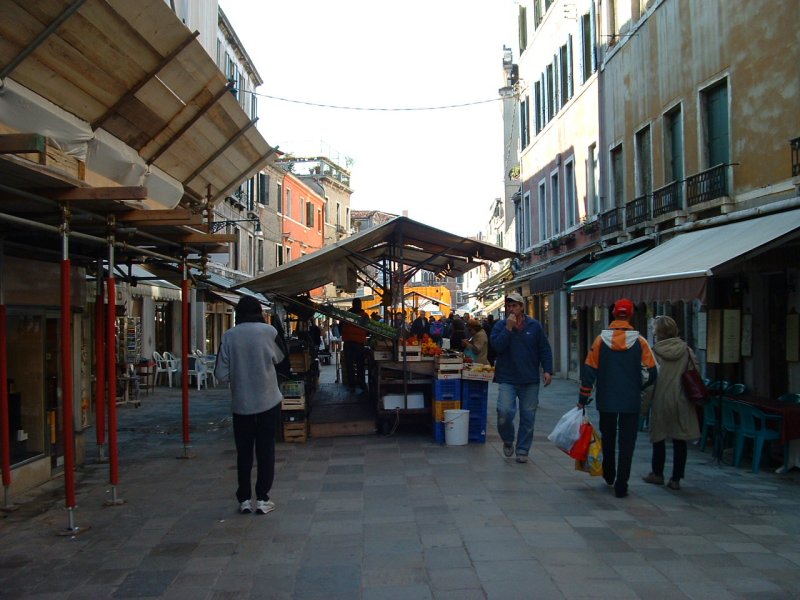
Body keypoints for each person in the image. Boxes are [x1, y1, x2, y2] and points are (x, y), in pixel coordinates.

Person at [578, 298, 658, 498]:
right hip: (631, 399)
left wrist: (583, 396)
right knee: (627, 441)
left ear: (614, 314)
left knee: (609, 436)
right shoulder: (640, 342)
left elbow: (589, 371)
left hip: (606, 398)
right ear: (630, 315)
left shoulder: (599, 341)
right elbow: (652, 372)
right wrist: (639, 386)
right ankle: (622, 482)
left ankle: (609, 473)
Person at [214, 296, 284, 515]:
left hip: (241, 403)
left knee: (243, 452)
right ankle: (262, 498)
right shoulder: (269, 332)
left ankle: (244, 499)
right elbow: (281, 360)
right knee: (266, 450)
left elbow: (220, 374)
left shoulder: (229, 336)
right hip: (268, 400)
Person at [491, 292, 553, 463]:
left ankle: (523, 449)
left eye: (515, 305)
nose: (511, 308)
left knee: (528, 416)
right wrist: (508, 329)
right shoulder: (500, 326)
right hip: (507, 378)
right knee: (504, 412)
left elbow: (544, 349)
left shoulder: (535, 326)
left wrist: (548, 370)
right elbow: (497, 347)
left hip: (529, 379)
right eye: (509, 305)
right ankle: (508, 439)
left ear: (522, 307)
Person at [641, 316, 700, 491]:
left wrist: (643, 408)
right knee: (679, 439)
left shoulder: (654, 352)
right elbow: (695, 371)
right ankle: (676, 478)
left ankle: (657, 473)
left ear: (658, 333)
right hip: (681, 399)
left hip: (661, 398)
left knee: (658, 437)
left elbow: (649, 380)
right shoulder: (686, 350)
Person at [341, 298, 369, 393]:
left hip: (348, 342)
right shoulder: (365, 316)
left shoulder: (346, 315)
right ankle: (362, 384)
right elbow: (368, 330)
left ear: (352, 304)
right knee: (360, 364)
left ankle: (352, 385)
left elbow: (341, 327)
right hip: (359, 343)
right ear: (360, 305)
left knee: (350, 365)